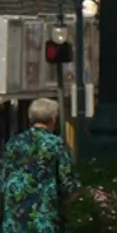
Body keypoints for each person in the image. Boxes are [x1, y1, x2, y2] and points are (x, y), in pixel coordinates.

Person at [1, 97, 77, 233]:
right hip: (44, 218)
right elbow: (68, 183)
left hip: (14, 219)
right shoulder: (56, 144)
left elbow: (4, 178)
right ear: (54, 118)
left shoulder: (13, 143)